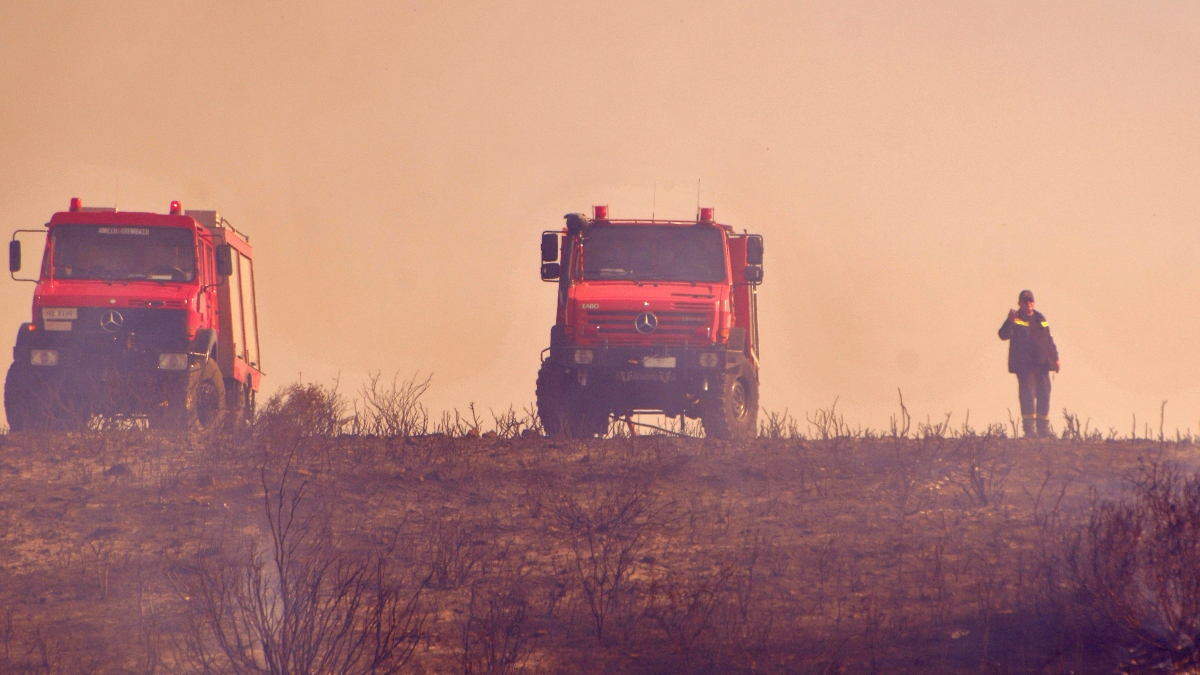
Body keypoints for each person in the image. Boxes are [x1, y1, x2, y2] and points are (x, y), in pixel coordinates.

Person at [998, 290, 1060, 437]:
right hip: (1025, 366)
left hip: (1042, 364)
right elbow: (1003, 335)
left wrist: (1055, 358)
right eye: (1025, 301)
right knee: (1027, 395)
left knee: (1044, 394)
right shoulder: (1016, 318)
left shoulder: (1041, 318)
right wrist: (1010, 321)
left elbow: (1049, 340)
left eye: (1030, 301)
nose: (1028, 304)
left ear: (1034, 302)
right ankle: (1030, 430)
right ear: (1019, 303)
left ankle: (1043, 429)